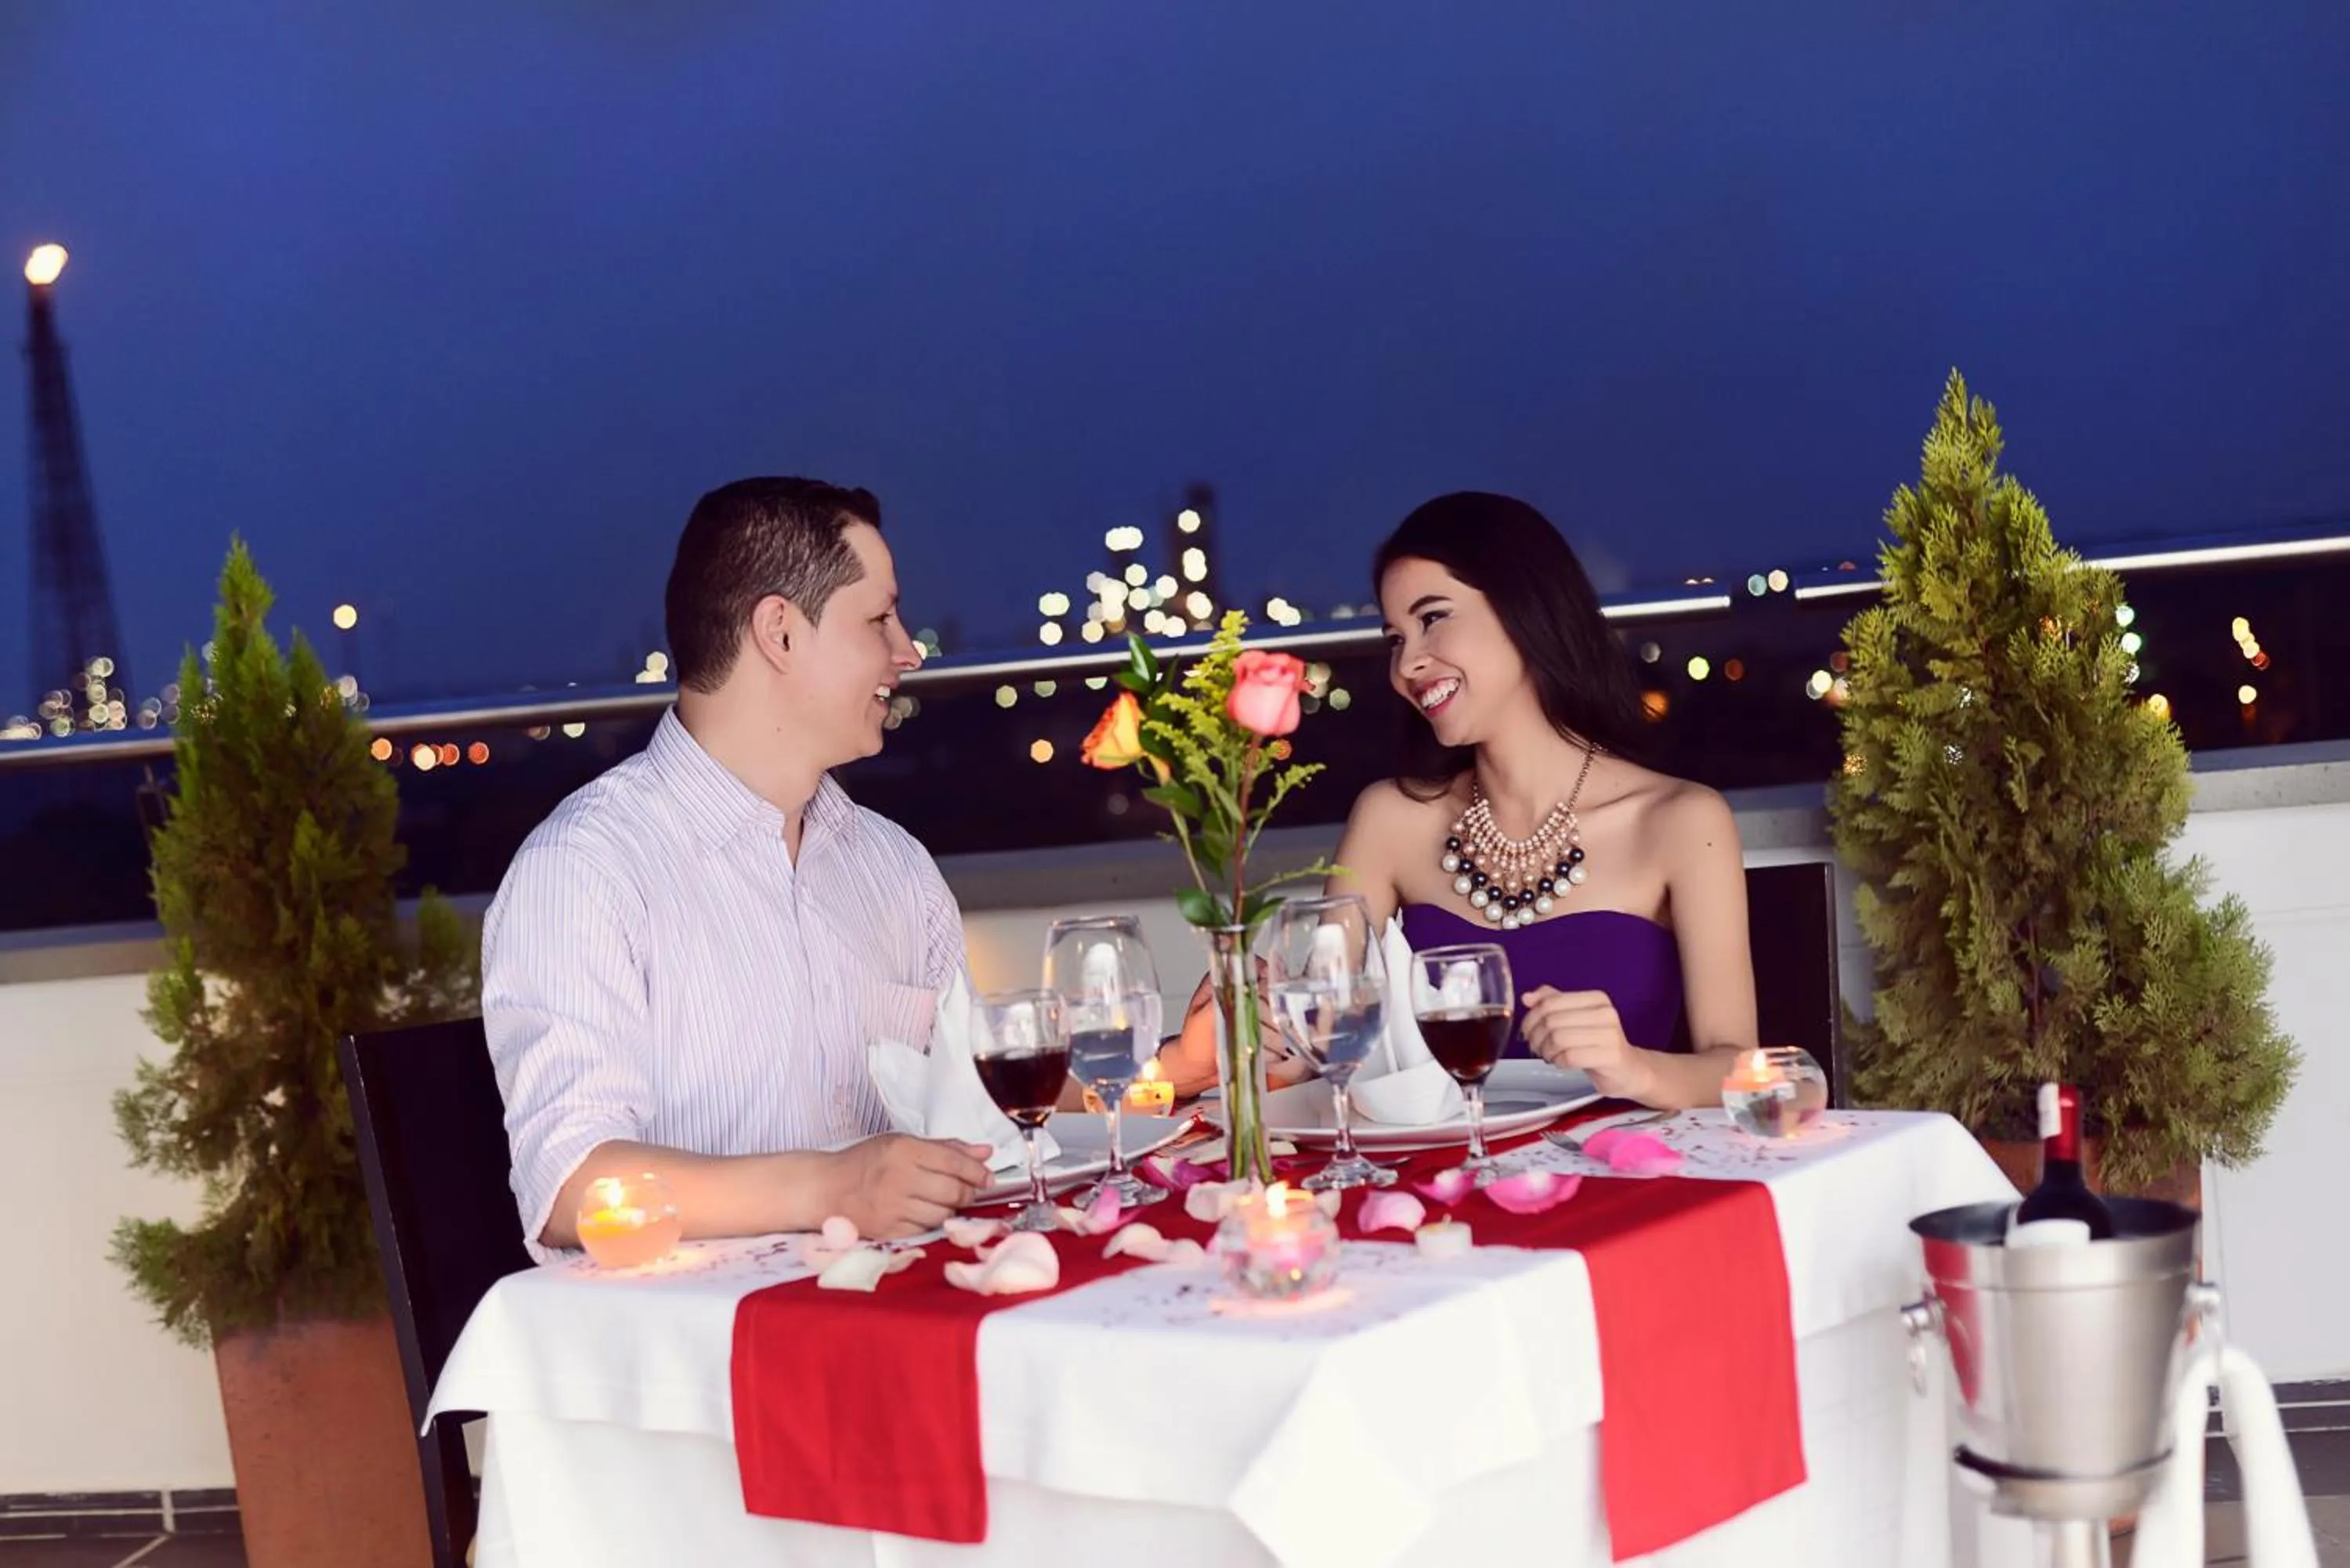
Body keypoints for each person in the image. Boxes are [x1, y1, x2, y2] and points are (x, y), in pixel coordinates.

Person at [481, 477, 994, 1255]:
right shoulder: (585, 870)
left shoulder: (894, 866)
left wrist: (1162, 1073)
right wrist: (832, 1188)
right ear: (779, 633)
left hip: (901, 1296)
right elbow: (572, 1187)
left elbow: (983, 1099)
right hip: (700, 1323)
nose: (908, 651)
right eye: (878, 619)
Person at [1326, 491, 1759, 1108]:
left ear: (1523, 610)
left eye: (1432, 618)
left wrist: (1633, 1068)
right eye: (1395, 638)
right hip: (1447, 1165)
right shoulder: (1389, 820)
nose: (1408, 665)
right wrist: (1251, 1030)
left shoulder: (1681, 821)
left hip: (1623, 1164)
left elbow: (1738, 1068)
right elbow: (1326, 1034)